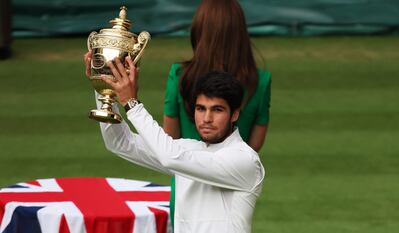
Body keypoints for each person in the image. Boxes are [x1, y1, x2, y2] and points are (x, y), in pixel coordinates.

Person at [86, 55, 265, 233]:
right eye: (201, 109)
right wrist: (104, 88)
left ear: (235, 114)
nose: (207, 119)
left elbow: (171, 157)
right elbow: (120, 142)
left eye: (217, 110)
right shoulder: (189, 150)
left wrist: (132, 104)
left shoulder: (245, 160)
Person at [163, 0, 271, 223]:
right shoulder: (260, 81)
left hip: (185, 191)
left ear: (199, 31)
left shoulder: (179, 74)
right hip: (230, 190)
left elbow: (170, 139)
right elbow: (254, 145)